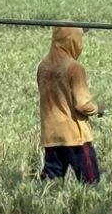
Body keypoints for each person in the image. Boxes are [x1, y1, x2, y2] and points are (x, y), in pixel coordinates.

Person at [37, 26, 106, 184]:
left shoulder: (43, 67)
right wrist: (99, 108)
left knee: (50, 184)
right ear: (71, 40)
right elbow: (82, 105)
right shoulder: (74, 68)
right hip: (75, 137)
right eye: (79, 39)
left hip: (51, 135)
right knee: (90, 182)